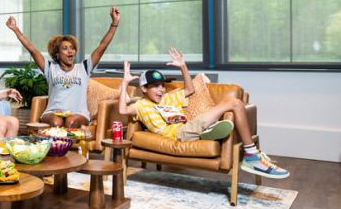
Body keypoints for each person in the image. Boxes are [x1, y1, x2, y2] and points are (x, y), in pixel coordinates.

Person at [118, 47, 289, 178]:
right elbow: (122, 109)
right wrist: (125, 83)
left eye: (162, 85)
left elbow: (190, 89)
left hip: (187, 127)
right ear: (143, 89)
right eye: (155, 86)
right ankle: (251, 155)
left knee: (235, 104)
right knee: (235, 103)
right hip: (179, 134)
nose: (161, 89)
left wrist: (183, 66)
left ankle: (209, 133)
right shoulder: (140, 106)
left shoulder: (168, 98)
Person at [5, 8, 120, 129]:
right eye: (65, 48)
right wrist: (16, 29)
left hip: (78, 114)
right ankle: (55, 147)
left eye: (72, 48)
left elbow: (102, 47)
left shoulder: (83, 68)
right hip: (53, 112)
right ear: (57, 54)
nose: (70, 51)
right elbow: (32, 50)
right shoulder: (50, 68)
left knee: (70, 122)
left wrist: (114, 23)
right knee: (56, 123)